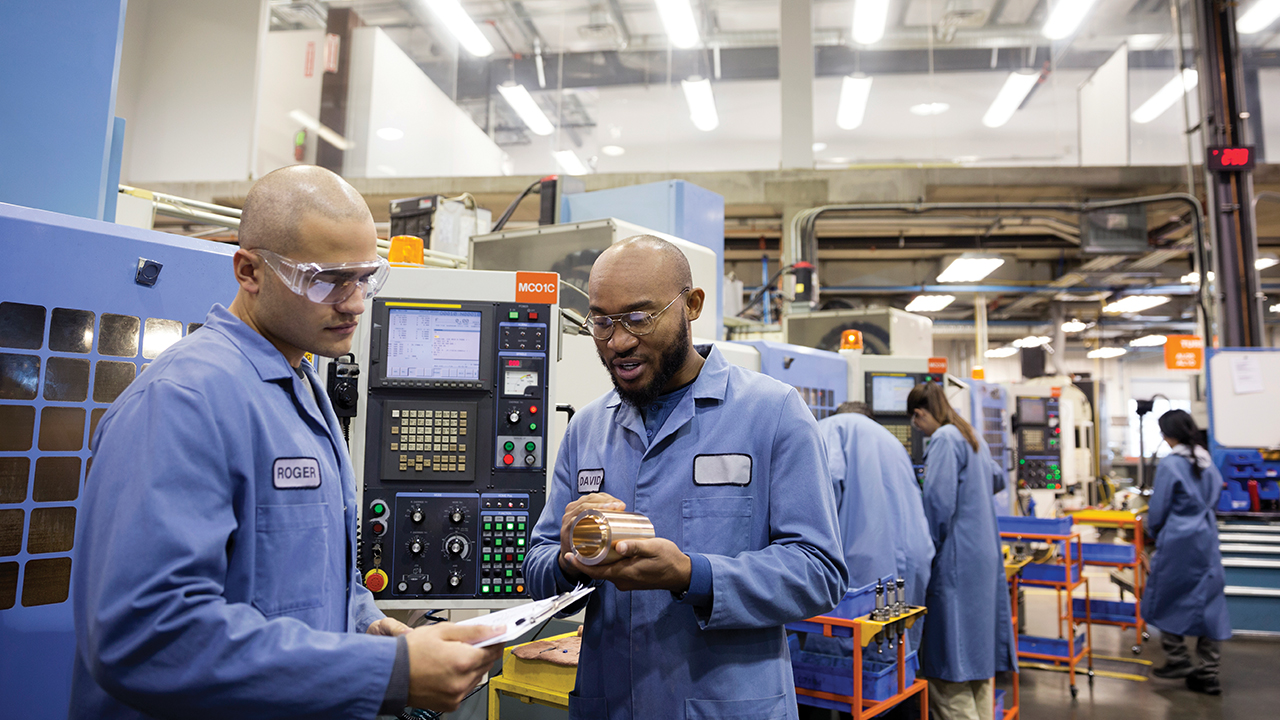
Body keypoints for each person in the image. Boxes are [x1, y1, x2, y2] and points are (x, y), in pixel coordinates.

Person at [71, 166, 502, 719]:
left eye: (366, 277)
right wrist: (386, 673)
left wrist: (366, 624)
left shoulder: (301, 389)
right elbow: (146, 635)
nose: (353, 303)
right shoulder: (183, 402)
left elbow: (308, 581)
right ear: (250, 270)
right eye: (327, 279)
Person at [523, 235, 848, 720]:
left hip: (729, 705)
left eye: (639, 318)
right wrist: (570, 560)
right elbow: (538, 564)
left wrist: (693, 575)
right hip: (610, 703)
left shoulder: (772, 412)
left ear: (691, 306)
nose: (618, 342)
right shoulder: (587, 429)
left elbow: (818, 570)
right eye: (601, 321)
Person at [907, 383, 1016, 720]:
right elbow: (998, 479)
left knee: (948, 663)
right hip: (982, 558)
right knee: (977, 662)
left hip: (954, 562)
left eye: (916, 423)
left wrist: (924, 553)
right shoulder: (972, 437)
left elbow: (938, 505)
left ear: (920, 413)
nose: (918, 430)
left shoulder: (943, 439)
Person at [811, 402, 934, 659]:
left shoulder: (833, 427)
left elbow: (824, 488)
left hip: (864, 565)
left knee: (850, 651)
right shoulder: (892, 441)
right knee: (894, 645)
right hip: (911, 560)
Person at [1144, 409, 1230, 695]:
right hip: (1206, 539)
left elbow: (1158, 509)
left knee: (1165, 596)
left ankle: (1178, 659)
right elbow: (1216, 496)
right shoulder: (1207, 460)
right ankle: (1209, 673)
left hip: (1179, 541)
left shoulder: (1171, 464)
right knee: (1211, 603)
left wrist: (1153, 532)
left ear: (1167, 435)